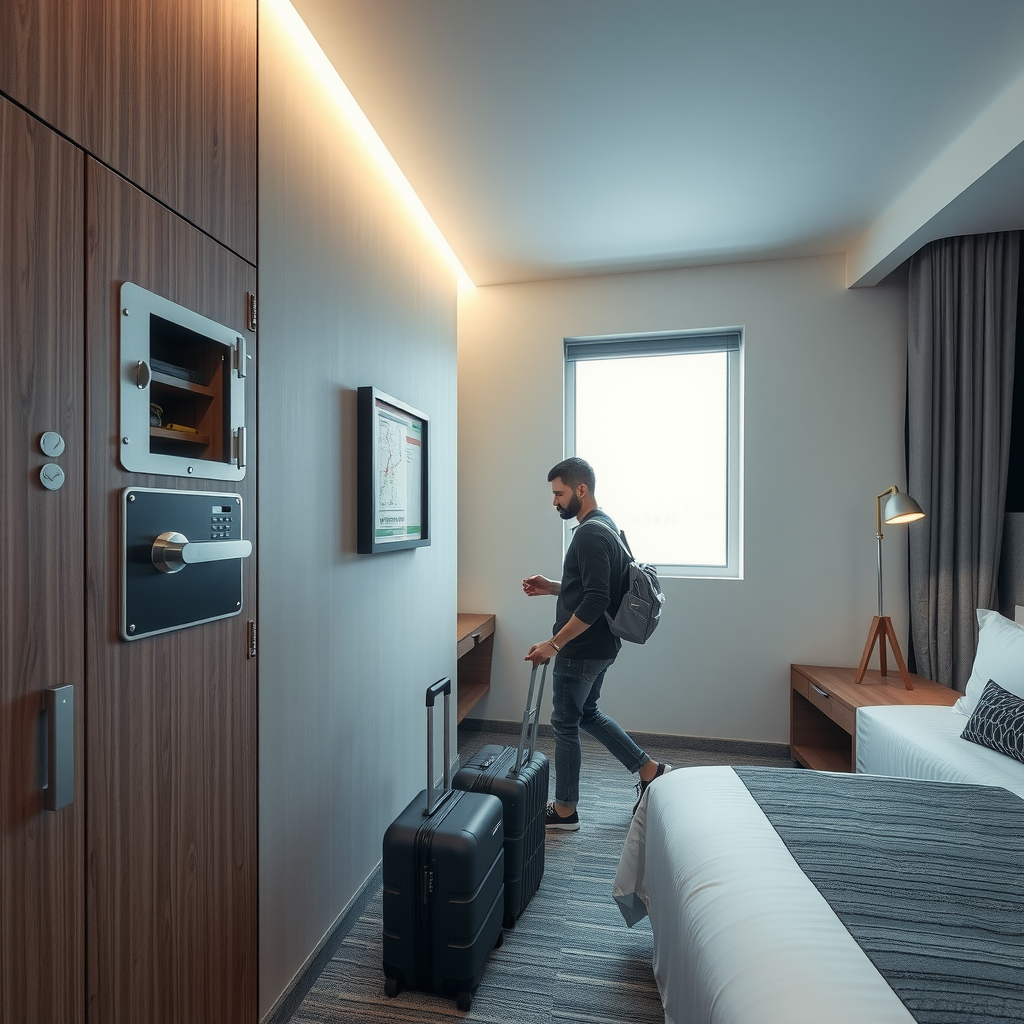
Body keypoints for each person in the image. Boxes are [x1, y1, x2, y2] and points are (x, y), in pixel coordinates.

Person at [523, 457, 670, 831]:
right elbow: (596, 588)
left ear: (581, 490)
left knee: (565, 724)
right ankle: (650, 770)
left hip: (581, 650)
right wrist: (553, 587)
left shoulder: (588, 534)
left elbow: (596, 600)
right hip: (602, 647)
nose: (554, 501)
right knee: (586, 714)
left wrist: (553, 644)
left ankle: (566, 810)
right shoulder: (606, 525)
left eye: (559, 493)